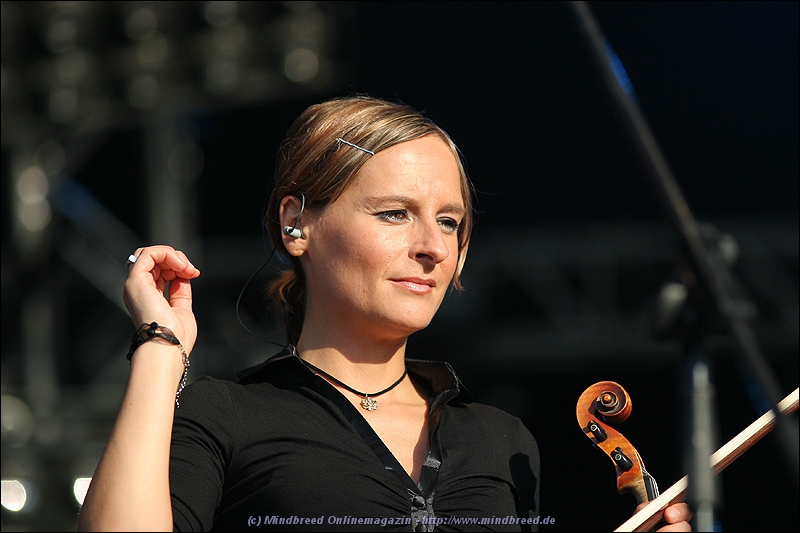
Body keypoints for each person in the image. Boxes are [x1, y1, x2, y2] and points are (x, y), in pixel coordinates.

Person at [76, 95, 691, 531]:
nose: (432, 246)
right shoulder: (223, 416)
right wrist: (160, 346)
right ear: (297, 223)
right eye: (395, 213)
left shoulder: (501, 440)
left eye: (448, 222)